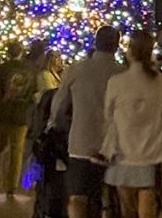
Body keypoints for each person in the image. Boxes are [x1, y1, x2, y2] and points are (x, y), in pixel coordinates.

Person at [50, 25, 122, 218]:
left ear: (95, 43)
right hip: (113, 144)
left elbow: (59, 106)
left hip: (81, 141)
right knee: (106, 195)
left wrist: (54, 126)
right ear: (116, 46)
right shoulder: (122, 74)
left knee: (78, 196)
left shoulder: (77, 70)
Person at [102, 30, 162, 218]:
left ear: (130, 52)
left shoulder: (116, 82)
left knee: (127, 209)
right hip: (153, 153)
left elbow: (107, 116)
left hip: (123, 152)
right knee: (147, 208)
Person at [0, 39, 37, 196]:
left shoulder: (1, 69)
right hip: (20, 115)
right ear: (21, 52)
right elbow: (33, 93)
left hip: (1, 113)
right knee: (17, 151)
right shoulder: (30, 70)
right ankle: (11, 185)